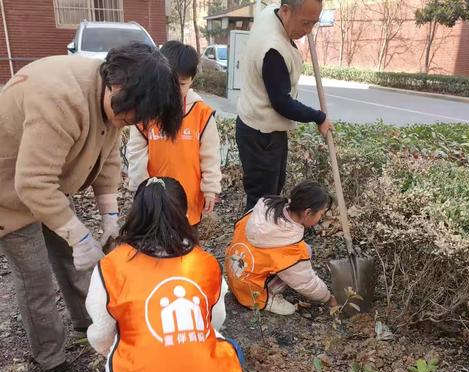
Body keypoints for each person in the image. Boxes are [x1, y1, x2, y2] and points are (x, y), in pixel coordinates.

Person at [0, 42, 183, 372]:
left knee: (72, 260)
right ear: (114, 83)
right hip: (9, 191)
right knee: (36, 278)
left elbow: (108, 157)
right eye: (127, 115)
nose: (128, 121)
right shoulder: (59, 98)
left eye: (135, 119)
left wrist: (109, 215)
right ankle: (50, 357)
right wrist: (79, 234)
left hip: (48, 184)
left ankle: (88, 320)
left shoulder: (117, 100)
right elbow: (31, 183)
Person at [86, 177, 252, 372]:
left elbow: (100, 333)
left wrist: (118, 347)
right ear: (184, 213)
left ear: (135, 212)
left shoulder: (111, 266)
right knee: (224, 358)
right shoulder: (204, 263)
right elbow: (214, 322)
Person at [236, 0, 334, 211]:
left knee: (271, 194)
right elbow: (282, 103)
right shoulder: (273, 50)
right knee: (262, 202)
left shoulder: (270, 13)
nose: (308, 31)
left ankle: (262, 238)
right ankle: (249, 241)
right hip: (260, 135)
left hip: (264, 128)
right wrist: (319, 116)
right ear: (286, 10)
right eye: (305, 23)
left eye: (314, 24)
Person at [127, 40, 222, 226]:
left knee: (187, 248)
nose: (173, 90)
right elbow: (135, 154)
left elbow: (210, 156)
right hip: (153, 200)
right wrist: (141, 189)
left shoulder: (201, 113)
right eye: (168, 82)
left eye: (181, 83)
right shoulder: (146, 112)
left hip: (189, 200)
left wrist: (210, 189)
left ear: (192, 79)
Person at [225, 181, 337, 315]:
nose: (321, 218)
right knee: (290, 309)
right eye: (321, 214)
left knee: (305, 251)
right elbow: (307, 283)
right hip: (249, 290)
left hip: (233, 268)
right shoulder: (291, 249)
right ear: (307, 212)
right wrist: (328, 298)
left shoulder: (266, 208)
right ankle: (265, 296)